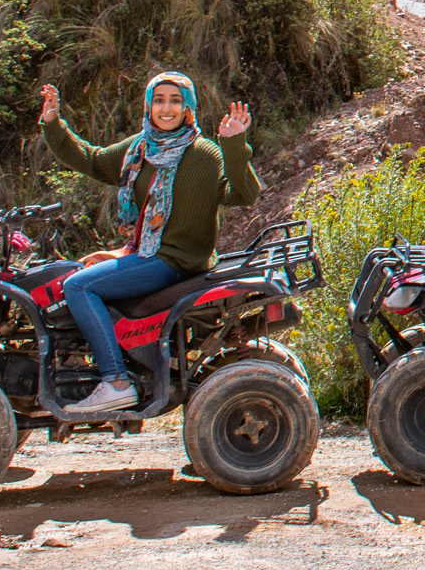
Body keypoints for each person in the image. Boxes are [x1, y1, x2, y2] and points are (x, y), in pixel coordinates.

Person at [40, 73, 260, 416]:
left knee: (79, 287)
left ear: (188, 107)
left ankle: (116, 382)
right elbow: (93, 159)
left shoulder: (204, 153)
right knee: (73, 273)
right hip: (146, 255)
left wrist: (233, 144)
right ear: (148, 105)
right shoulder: (139, 148)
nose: (166, 107)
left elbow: (243, 194)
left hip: (176, 261)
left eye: (175, 100)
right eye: (159, 100)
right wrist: (53, 123)